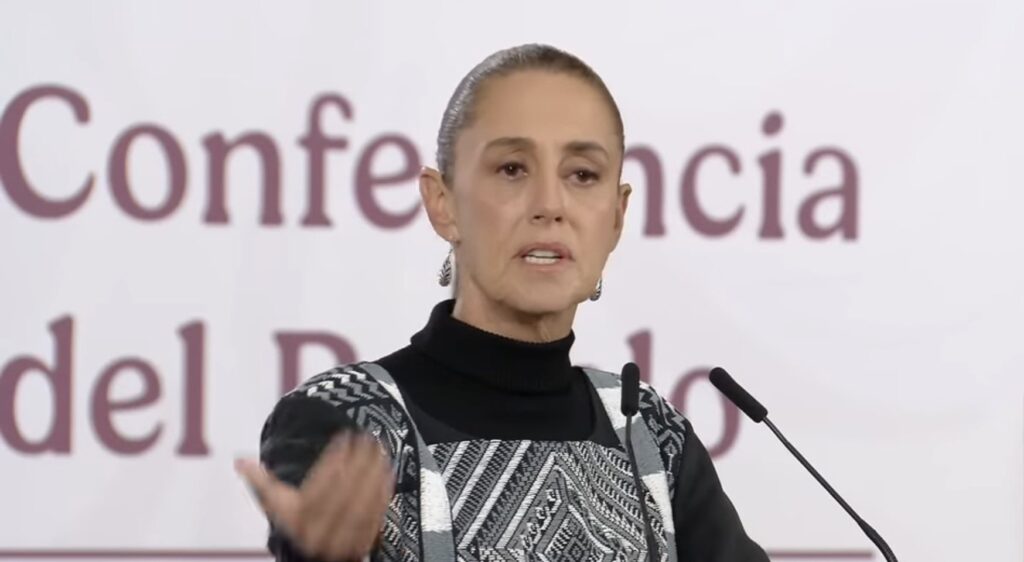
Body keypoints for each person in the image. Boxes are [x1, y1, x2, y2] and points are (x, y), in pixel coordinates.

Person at [236, 43, 768, 562]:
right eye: (512, 168)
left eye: (582, 174)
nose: (551, 205)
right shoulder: (349, 418)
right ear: (443, 204)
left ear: (616, 216)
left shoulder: (651, 435)